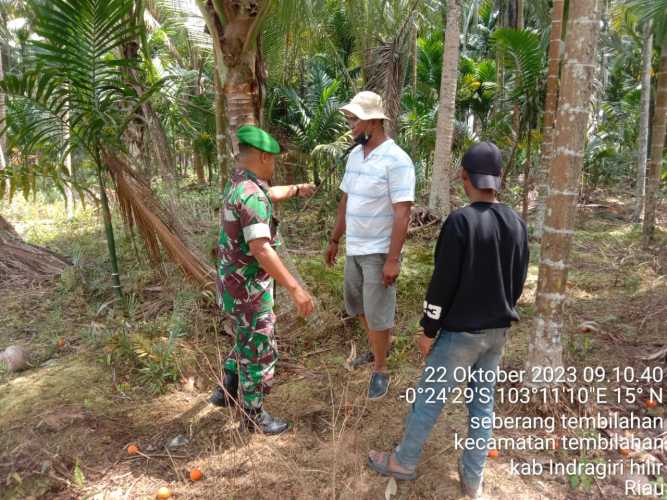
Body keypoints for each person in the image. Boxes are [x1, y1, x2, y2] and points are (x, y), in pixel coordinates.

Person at [366, 141, 529, 498]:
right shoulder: (517, 223)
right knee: (482, 406)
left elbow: (442, 284)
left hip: (460, 336)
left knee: (429, 398)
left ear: (464, 177)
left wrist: (428, 329)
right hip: (497, 333)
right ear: (498, 180)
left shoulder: (461, 221)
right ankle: (473, 480)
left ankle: (403, 462)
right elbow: (518, 280)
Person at [210, 124, 316, 435]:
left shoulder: (239, 183)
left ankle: (226, 387)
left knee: (245, 334)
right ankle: (253, 415)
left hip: (231, 284)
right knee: (259, 346)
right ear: (259, 156)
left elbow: (268, 194)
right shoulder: (252, 195)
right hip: (249, 290)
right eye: (272, 159)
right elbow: (261, 248)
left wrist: (298, 189)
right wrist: (296, 290)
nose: (274, 165)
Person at [325, 91, 415, 400]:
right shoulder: (354, 156)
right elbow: (346, 200)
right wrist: (335, 239)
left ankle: (380, 368)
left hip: (378, 250)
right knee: (358, 306)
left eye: (354, 120)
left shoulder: (397, 160)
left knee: (378, 312)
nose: (350, 126)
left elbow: (403, 212)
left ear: (374, 122)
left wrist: (393, 259)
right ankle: (376, 346)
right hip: (355, 248)